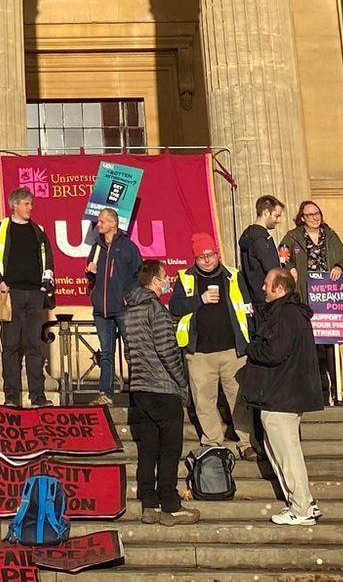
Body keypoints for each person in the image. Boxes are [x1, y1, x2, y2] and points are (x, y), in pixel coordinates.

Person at [241, 268, 325, 526]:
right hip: (286, 393)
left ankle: (301, 506)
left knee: (286, 454)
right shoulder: (291, 312)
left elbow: (274, 352)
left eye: (267, 284)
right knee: (285, 452)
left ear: (279, 288)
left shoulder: (285, 314)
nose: (263, 288)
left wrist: (250, 347)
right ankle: (302, 502)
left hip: (281, 395)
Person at [120, 261, 198, 526]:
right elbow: (167, 351)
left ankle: (149, 503)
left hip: (140, 388)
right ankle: (170, 503)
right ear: (155, 281)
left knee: (148, 448)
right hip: (163, 389)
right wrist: (181, 383)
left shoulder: (129, 312)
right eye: (165, 277)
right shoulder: (157, 310)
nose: (167, 281)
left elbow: (128, 352)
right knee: (169, 448)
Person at [167, 232, 256, 456]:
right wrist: (200, 300)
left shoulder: (233, 276)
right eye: (201, 256)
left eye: (210, 255)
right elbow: (175, 307)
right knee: (204, 401)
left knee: (239, 399)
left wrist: (250, 340)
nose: (206, 260)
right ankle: (213, 443)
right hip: (199, 353)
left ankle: (246, 443)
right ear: (194, 258)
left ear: (218, 254)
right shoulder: (185, 277)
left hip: (233, 351)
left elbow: (247, 308)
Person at [0, 187, 55, 407]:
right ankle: (12, 397)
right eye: (26, 204)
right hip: (10, 293)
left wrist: (45, 285)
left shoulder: (38, 231)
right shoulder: (2, 228)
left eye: (31, 204)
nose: (30, 208)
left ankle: (37, 396)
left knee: (34, 346)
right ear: (15, 205)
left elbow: (48, 259)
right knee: (11, 346)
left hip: (34, 294)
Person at [282, 199, 343, 404]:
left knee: (331, 347)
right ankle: (319, 394)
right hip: (305, 298)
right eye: (309, 215)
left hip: (328, 299)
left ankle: (337, 393)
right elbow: (282, 256)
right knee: (311, 348)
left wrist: (339, 267)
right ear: (302, 218)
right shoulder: (292, 237)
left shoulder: (331, 236)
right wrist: (290, 268)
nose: (314, 218)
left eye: (317, 214)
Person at [86, 207, 142, 407]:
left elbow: (139, 274)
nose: (98, 224)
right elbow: (92, 276)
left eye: (102, 221)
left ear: (113, 223)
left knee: (132, 351)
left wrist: (128, 297)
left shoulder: (127, 247)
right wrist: (90, 271)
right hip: (102, 310)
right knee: (106, 353)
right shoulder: (97, 247)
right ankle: (105, 394)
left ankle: (138, 394)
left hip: (122, 308)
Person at [239, 196, 289, 295]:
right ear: (266, 212)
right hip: (268, 295)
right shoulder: (262, 239)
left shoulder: (248, 234)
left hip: (253, 294)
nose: (278, 220)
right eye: (276, 216)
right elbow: (273, 271)